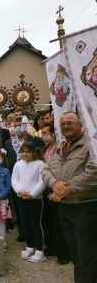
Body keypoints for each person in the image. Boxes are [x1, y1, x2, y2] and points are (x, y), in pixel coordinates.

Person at [42, 112, 97, 283]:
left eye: (70, 123)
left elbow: (93, 172)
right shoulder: (60, 146)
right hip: (65, 207)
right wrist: (54, 185)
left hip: (84, 206)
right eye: (62, 123)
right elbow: (46, 169)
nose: (66, 126)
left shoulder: (91, 145)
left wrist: (65, 189)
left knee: (87, 254)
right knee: (74, 253)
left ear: (81, 124)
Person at [4, 117, 44, 241]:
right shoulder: (8, 142)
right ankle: (23, 233)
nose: (18, 128)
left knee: (34, 214)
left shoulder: (36, 140)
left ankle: (36, 238)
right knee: (19, 208)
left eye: (20, 125)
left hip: (33, 182)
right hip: (16, 181)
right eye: (15, 125)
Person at [40, 123, 71, 265]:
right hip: (47, 188)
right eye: (42, 133)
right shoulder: (43, 149)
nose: (43, 135)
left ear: (53, 134)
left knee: (59, 223)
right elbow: (44, 168)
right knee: (48, 221)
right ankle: (51, 246)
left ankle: (63, 252)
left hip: (60, 188)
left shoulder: (61, 148)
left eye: (45, 132)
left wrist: (57, 185)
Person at [11, 142, 46, 263]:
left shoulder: (40, 164)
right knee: (25, 223)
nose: (25, 154)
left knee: (35, 224)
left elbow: (42, 181)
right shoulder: (18, 164)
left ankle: (40, 251)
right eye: (23, 151)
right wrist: (19, 191)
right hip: (21, 198)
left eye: (28, 152)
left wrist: (32, 194)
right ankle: (30, 246)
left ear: (34, 152)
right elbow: (14, 179)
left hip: (35, 200)